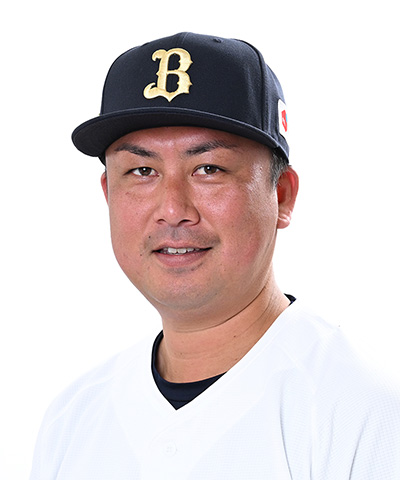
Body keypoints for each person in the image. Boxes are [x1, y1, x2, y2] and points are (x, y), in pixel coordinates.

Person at [30, 32, 400, 479]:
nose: (173, 209)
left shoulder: (366, 411)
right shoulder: (71, 419)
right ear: (108, 194)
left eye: (209, 169)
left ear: (282, 196)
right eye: (142, 170)